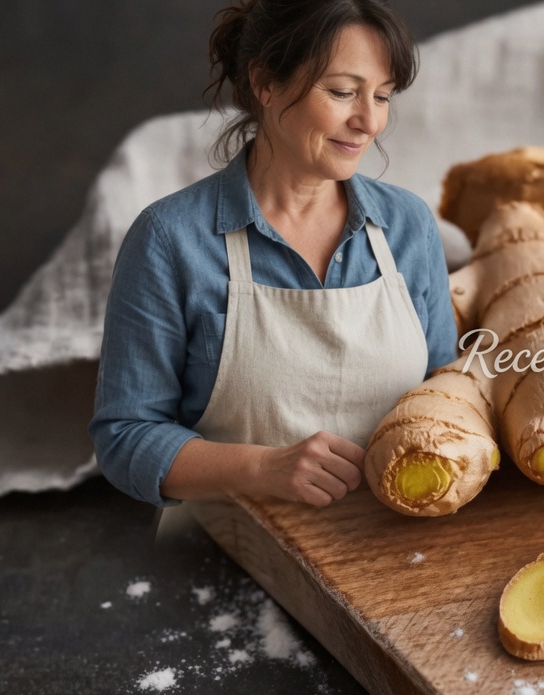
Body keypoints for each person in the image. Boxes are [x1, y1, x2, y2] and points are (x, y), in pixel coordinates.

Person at [90, 0, 458, 510]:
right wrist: (263, 469)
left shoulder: (408, 226)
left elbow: (448, 392)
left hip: (396, 547)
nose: (369, 121)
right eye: (342, 92)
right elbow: (124, 436)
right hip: (235, 545)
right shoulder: (169, 239)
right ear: (265, 83)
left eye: (383, 96)